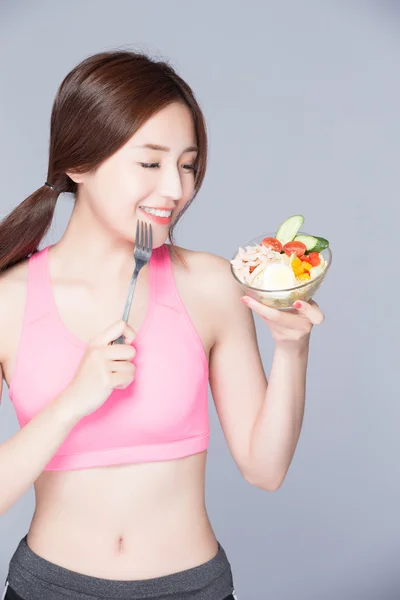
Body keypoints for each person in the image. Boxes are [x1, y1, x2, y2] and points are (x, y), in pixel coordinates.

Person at [0, 50, 325, 600]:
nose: (175, 190)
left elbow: (265, 470)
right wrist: (74, 400)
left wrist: (292, 349)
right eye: (150, 163)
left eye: (188, 164)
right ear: (78, 163)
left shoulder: (211, 284)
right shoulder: (8, 301)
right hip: (48, 588)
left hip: (194, 587)